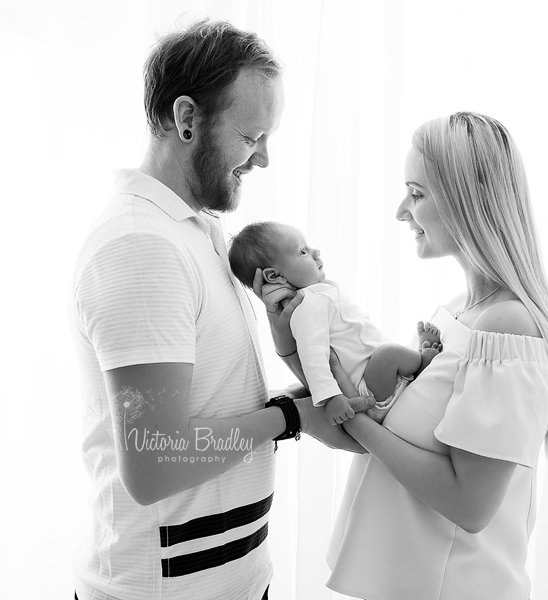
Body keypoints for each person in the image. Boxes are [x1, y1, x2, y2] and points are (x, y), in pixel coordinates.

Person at [69, 19, 370, 600]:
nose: (262, 160)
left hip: (226, 578)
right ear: (186, 120)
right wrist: (288, 418)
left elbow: (211, 398)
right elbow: (155, 461)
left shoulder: (197, 233)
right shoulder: (141, 246)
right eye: (252, 137)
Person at [260, 112, 548, 599]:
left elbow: (470, 504)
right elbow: (376, 427)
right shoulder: (456, 315)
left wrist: (355, 418)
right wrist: (288, 342)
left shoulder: (507, 330)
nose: (402, 211)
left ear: (471, 199)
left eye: (417, 193)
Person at [227, 221, 442, 424]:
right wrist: (332, 398)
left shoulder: (318, 294)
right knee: (387, 354)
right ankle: (421, 362)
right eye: (303, 251)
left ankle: (411, 361)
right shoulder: (307, 305)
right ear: (275, 276)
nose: (315, 252)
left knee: (387, 352)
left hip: (378, 380)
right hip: (368, 392)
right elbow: (314, 357)